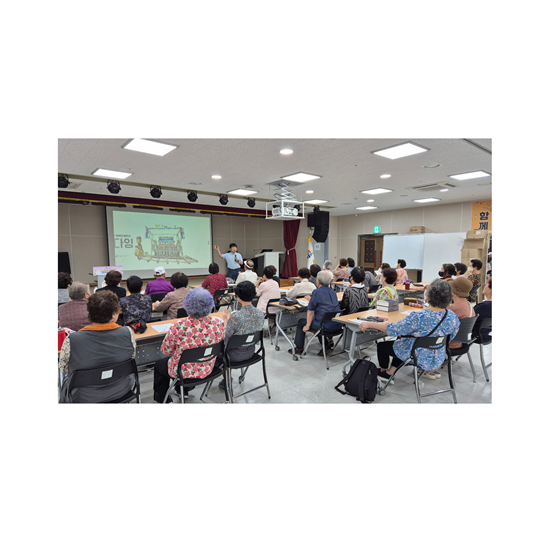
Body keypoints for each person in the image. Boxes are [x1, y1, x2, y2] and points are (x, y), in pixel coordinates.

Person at [359, 279, 460, 383]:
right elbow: (451, 336)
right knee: (402, 341)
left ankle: (384, 372)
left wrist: (371, 324)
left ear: (429, 295)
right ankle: (390, 372)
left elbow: (394, 328)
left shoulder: (419, 316)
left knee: (383, 346)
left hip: (417, 355)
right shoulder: (452, 316)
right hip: (438, 356)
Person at [58, 291, 137, 403]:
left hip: (83, 396)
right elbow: (131, 356)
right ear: (114, 314)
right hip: (121, 390)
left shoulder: (72, 339)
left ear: (89, 312)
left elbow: (64, 367)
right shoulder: (128, 333)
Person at [153, 288, 225, 403]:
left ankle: (162, 399)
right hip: (207, 368)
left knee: (159, 365)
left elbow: (166, 351)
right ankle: (183, 391)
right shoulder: (218, 323)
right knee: (190, 358)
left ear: (187, 305)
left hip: (183, 372)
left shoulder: (179, 326)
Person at [289, 270, 341, 356]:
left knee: (302, 322)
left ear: (318, 281)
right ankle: (326, 345)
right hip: (336, 324)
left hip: (324, 326)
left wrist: (307, 326)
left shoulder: (317, 292)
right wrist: (311, 299)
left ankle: (299, 348)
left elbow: (310, 311)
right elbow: (325, 303)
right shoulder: (333, 292)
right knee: (319, 319)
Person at [447, 277, 475, 350]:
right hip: (460, 342)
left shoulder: (452, 308)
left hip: (446, 343)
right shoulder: (469, 305)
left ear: (453, 292)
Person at [473, 276, 492, 342]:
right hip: (485, 333)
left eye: (486, 284)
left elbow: (468, 317)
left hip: (473, 334)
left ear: (491, 290)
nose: (484, 285)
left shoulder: (482, 307)